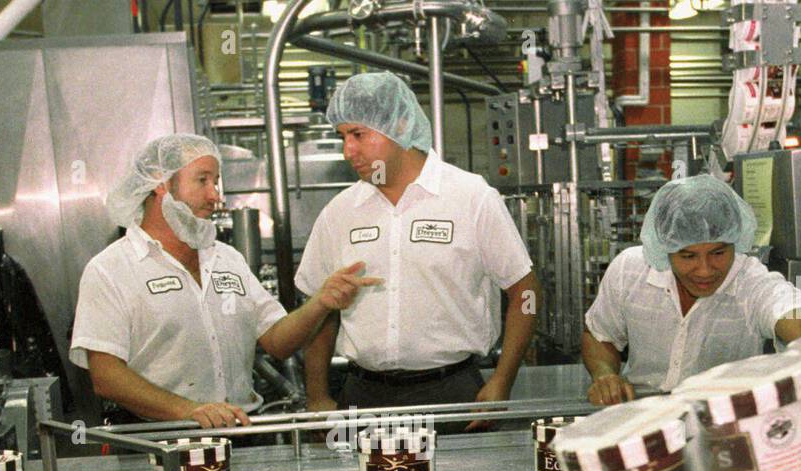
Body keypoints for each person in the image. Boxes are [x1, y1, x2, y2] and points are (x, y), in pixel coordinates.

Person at [70, 134, 377, 428]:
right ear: (160, 184)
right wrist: (190, 411)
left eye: (215, 181)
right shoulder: (111, 270)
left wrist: (321, 302)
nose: (215, 195)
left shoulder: (226, 259)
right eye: (202, 180)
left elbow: (277, 343)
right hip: (158, 438)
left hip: (238, 432)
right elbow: (106, 376)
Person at [295, 72, 539, 432]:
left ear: (401, 124)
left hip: (452, 394)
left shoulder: (471, 197)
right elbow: (319, 309)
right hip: (363, 398)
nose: (349, 150)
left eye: (359, 134)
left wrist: (503, 380)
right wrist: (317, 396)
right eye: (343, 136)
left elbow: (526, 293)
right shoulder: (340, 212)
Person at [582, 174, 801, 405]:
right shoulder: (630, 270)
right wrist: (605, 375)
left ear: (735, 243)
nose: (705, 270)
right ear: (665, 248)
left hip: (722, 426)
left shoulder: (749, 280)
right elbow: (599, 334)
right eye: (688, 256)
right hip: (640, 420)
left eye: (718, 253)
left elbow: (799, 321)